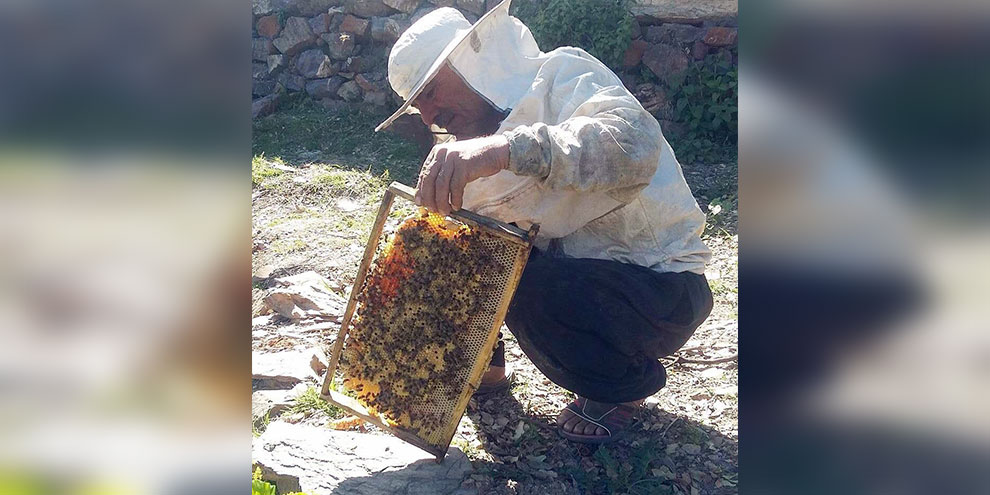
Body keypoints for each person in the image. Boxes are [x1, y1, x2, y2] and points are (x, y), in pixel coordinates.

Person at [375, 0, 713, 444]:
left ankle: (621, 390)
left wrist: (503, 151)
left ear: (473, 61)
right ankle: (485, 370)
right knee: (463, 251)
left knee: (529, 286)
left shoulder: (564, 75)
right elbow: (467, 261)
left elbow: (635, 145)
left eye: (432, 91)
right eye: (417, 104)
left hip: (661, 290)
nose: (428, 115)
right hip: (583, 285)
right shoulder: (464, 148)